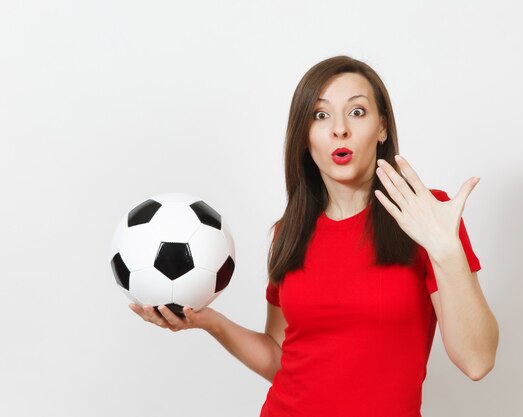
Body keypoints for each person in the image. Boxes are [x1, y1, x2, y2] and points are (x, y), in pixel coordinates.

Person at [129, 55, 499, 417]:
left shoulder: (426, 215)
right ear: (305, 137)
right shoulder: (288, 232)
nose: (340, 128)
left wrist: (447, 251)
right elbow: (280, 356)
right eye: (320, 115)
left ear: (382, 127)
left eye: (357, 112)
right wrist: (210, 321)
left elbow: (477, 361)